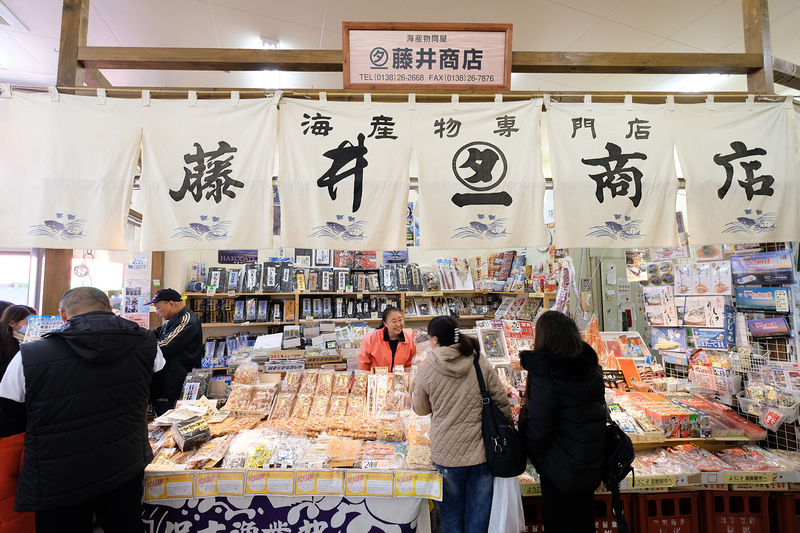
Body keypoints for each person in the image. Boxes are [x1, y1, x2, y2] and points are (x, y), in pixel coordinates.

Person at [0, 286, 164, 533]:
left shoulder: (30, 355)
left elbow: (9, 419)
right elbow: (157, 390)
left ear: (62, 314)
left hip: (58, 472)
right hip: (125, 461)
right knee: (124, 526)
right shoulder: (148, 343)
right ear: (111, 309)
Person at [412, 316, 511, 533]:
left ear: (435, 340)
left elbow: (420, 409)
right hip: (483, 452)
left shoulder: (426, 368)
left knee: (450, 515)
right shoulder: (478, 361)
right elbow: (501, 402)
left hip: (446, 454)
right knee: (479, 514)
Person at [520, 311, 606, 533]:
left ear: (544, 338)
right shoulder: (590, 368)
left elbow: (538, 428)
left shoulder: (546, 373)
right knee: (584, 522)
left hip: (560, 468)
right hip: (589, 462)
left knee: (559, 523)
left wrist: (535, 455)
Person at [0, 304, 36, 533]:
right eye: (30, 322)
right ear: (14, 323)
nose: (33, 327)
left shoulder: (30, 347)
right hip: (10, 427)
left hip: (23, 425)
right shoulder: (12, 351)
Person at [147, 288, 203, 415]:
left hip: (177, 386)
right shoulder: (172, 322)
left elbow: (165, 345)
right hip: (168, 383)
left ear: (171, 304)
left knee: (170, 427)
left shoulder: (187, 320)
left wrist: (142, 348)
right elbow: (155, 334)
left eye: (158, 308)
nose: (157, 312)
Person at [358, 306, 416, 371]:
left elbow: (410, 364)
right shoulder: (370, 338)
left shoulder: (409, 339)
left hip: (400, 379)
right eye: (394, 321)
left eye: (400, 320)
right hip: (377, 379)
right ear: (385, 323)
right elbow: (363, 364)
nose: (398, 324)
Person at [0, 305, 36, 375]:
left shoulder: (36, 339)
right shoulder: (2, 340)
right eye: (29, 323)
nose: (33, 327)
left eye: (35, 322)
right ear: (12, 323)